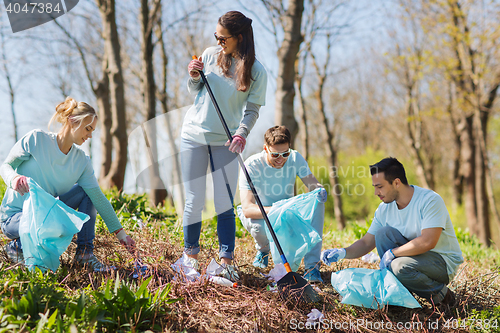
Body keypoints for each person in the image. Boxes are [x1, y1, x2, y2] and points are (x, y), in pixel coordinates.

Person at [0, 97, 136, 271]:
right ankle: (15, 248)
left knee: (86, 193)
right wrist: (13, 178)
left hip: (46, 215)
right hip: (15, 217)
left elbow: (99, 199)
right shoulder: (36, 140)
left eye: (93, 130)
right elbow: (6, 166)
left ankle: (85, 255)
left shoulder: (81, 161)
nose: (90, 135)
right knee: (50, 220)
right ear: (72, 121)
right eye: (88, 129)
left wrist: (122, 235)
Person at [181, 11, 267, 281]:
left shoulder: (256, 71)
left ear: (239, 38)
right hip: (193, 136)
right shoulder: (208, 55)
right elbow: (195, 91)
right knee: (194, 201)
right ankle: (189, 259)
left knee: (223, 204)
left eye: (223, 38)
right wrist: (194, 76)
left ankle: (226, 262)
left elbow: (252, 111)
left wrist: (242, 134)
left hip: (227, 142)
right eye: (216, 37)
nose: (218, 42)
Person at [321, 157, 463, 305]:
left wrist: (393, 253)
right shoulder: (384, 208)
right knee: (383, 234)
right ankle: (399, 294)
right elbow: (366, 242)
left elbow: (428, 241)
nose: (376, 192)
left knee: (398, 266)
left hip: (441, 262)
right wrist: (342, 252)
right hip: (413, 257)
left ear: (396, 183)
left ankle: (443, 297)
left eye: (379, 186)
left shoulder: (430, 200)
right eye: (374, 187)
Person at [238, 126, 327, 283]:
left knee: (318, 202)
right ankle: (263, 249)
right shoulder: (251, 166)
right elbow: (247, 209)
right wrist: (278, 210)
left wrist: (319, 190)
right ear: (265, 149)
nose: (281, 159)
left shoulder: (294, 158)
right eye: (275, 154)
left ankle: (312, 267)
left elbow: (312, 184)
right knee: (258, 228)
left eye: (285, 153)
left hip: (287, 213)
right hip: (264, 215)